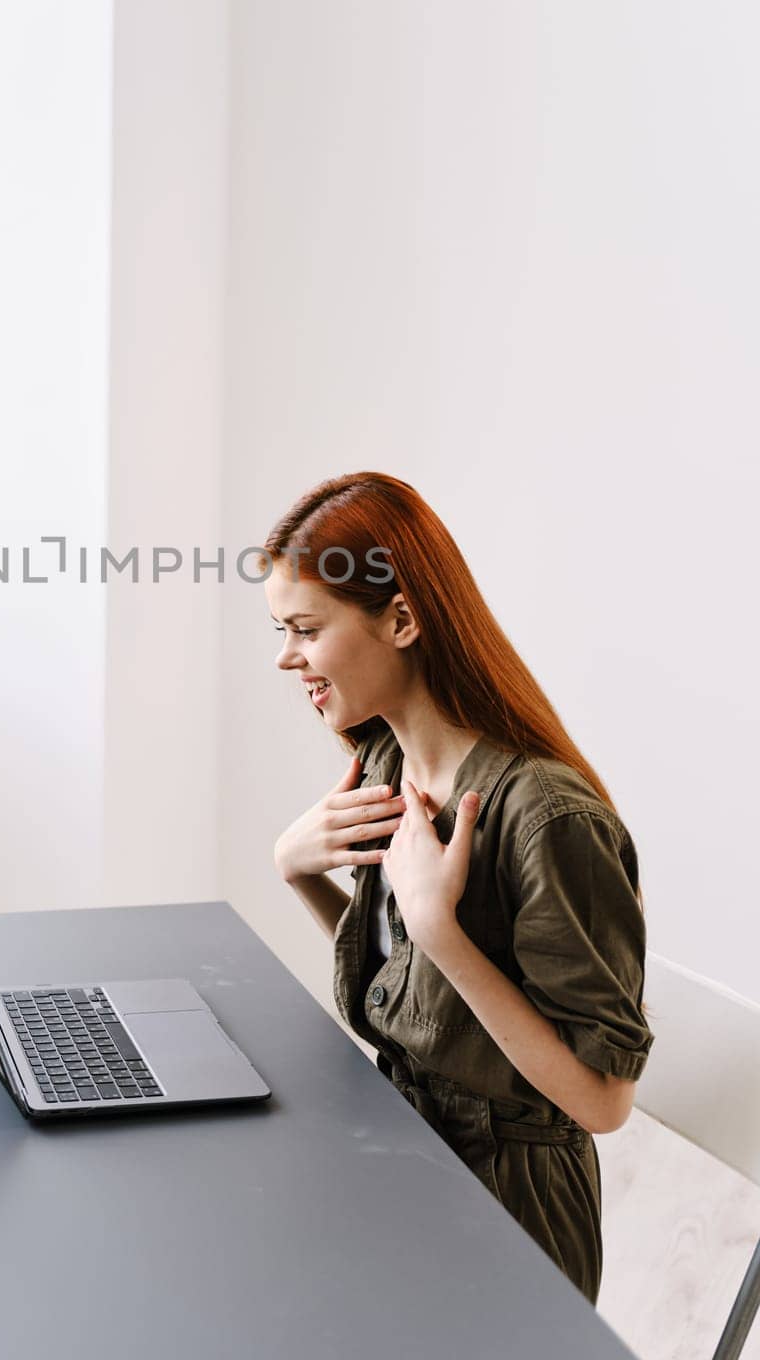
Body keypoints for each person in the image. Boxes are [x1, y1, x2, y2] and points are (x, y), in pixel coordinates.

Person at [261, 470, 653, 1305]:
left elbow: (602, 1101)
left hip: (513, 1212)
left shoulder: (547, 818)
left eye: (305, 629)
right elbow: (414, 993)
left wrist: (440, 928)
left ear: (401, 618)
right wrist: (298, 873)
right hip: (413, 1147)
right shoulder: (391, 766)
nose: (286, 657)